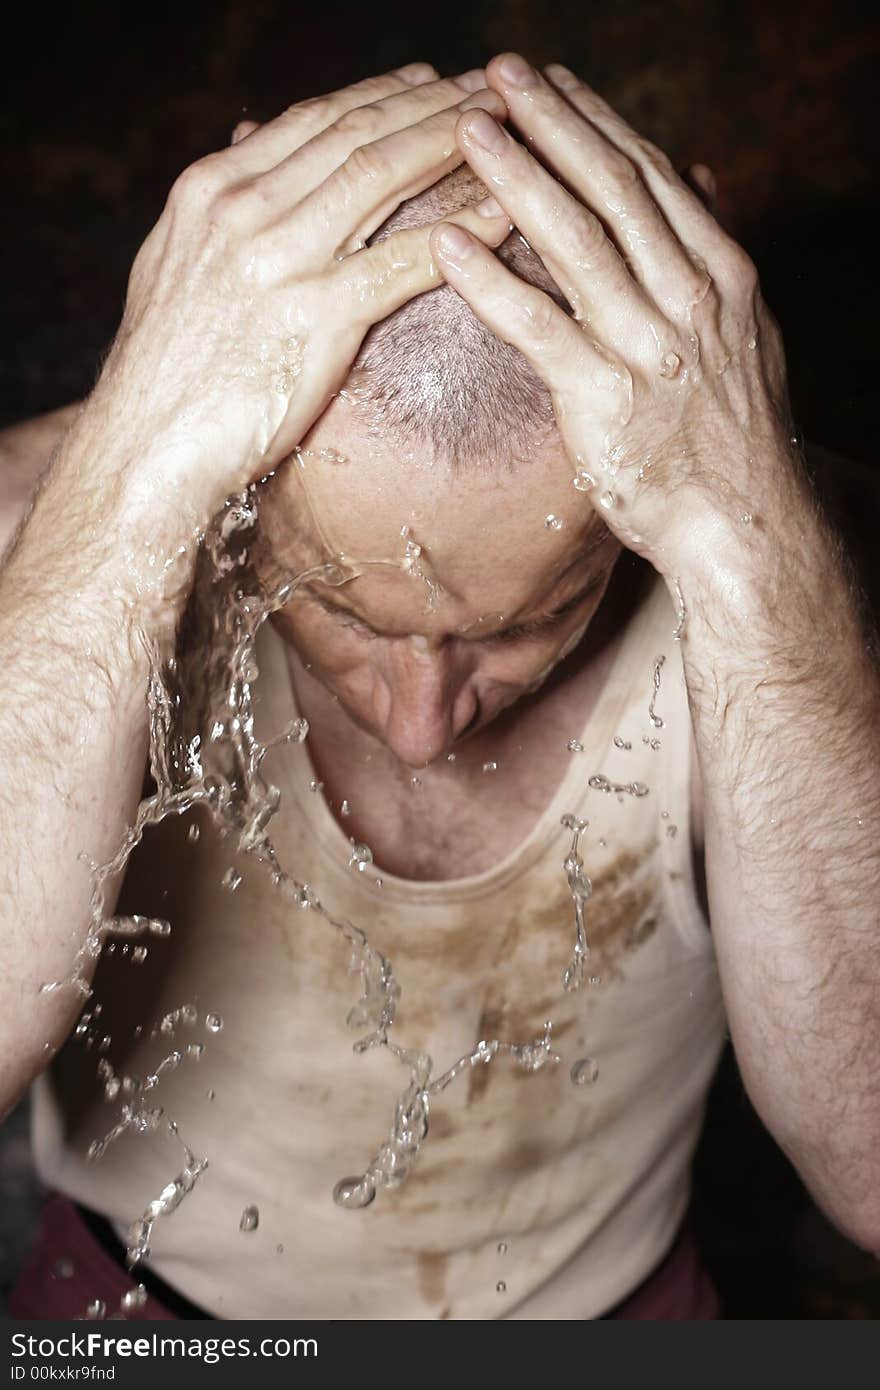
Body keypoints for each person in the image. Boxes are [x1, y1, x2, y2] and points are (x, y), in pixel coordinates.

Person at [1, 52, 878, 1322]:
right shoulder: (45, 528)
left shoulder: (791, 572)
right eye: (339, 609)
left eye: (533, 623)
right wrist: (128, 481)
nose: (420, 725)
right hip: (135, 1316)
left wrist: (751, 541)